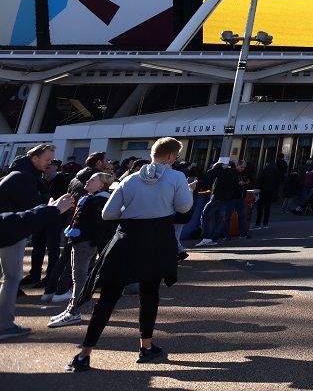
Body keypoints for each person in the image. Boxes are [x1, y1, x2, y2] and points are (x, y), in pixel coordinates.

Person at [66, 137, 192, 372]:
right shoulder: (177, 177)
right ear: (172, 156)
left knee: (108, 298)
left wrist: (132, 211)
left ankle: (84, 354)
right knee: (149, 293)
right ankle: (146, 346)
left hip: (126, 238)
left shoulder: (130, 179)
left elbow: (108, 213)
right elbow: (184, 207)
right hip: (156, 240)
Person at [0, 143, 58, 339]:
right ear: (35, 159)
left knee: (10, 278)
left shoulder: (19, 174)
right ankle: (5, 325)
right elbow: (34, 208)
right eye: (47, 160)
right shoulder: (23, 178)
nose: (49, 164)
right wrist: (51, 207)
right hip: (11, 232)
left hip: (9, 229)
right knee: (12, 278)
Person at [48, 172, 117, 328]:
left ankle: (74, 312)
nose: (87, 181)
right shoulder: (92, 197)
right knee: (77, 278)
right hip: (79, 241)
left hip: (84, 243)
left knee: (79, 279)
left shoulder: (99, 200)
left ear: (101, 185)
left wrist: (91, 242)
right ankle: (72, 310)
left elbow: (98, 226)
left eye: (92, 180)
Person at [253, 158, 279, 230]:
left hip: (263, 191)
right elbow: (277, 182)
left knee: (260, 207)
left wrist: (256, 188)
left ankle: (257, 224)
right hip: (271, 191)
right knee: (267, 207)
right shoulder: (276, 171)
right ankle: (265, 223)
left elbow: (259, 180)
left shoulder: (264, 170)